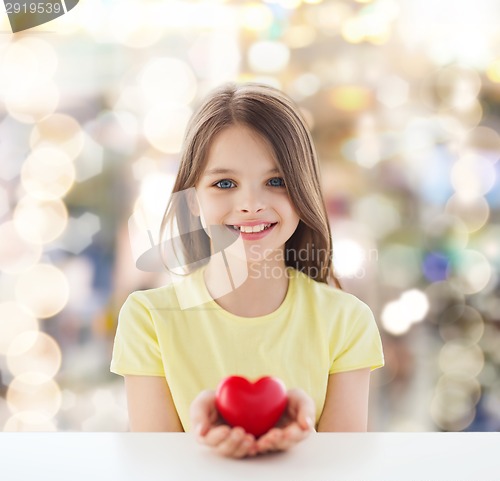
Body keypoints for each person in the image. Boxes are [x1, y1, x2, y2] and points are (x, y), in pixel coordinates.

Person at [110, 82, 384, 459]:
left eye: (276, 181)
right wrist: (202, 442)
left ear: (305, 191)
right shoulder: (148, 320)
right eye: (225, 183)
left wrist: (305, 439)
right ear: (191, 201)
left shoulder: (347, 320)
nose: (251, 204)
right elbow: (157, 475)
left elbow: (342, 476)